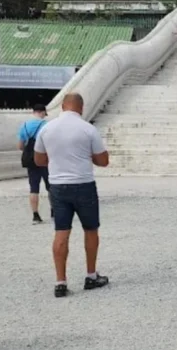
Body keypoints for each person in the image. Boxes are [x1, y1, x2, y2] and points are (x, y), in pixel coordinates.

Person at [33, 93, 109, 297]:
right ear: (81, 108)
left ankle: (60, 282)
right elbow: (103, 161)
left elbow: (39, 160)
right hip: (84, 184)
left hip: (58, 186)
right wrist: (87, 156)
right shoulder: (88, 129)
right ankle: (91, 275)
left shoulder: (46, 128)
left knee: (61, 231)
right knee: (90, 229)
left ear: (62, 106)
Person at [18, 103, 50, 222]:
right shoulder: (47, 125)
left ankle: (35, 215)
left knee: (34, 188)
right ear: (43, 112)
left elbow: (20, 146)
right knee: (50, 186)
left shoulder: (25, 125)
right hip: (44, 159)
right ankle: (54, 211)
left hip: (31, 161)